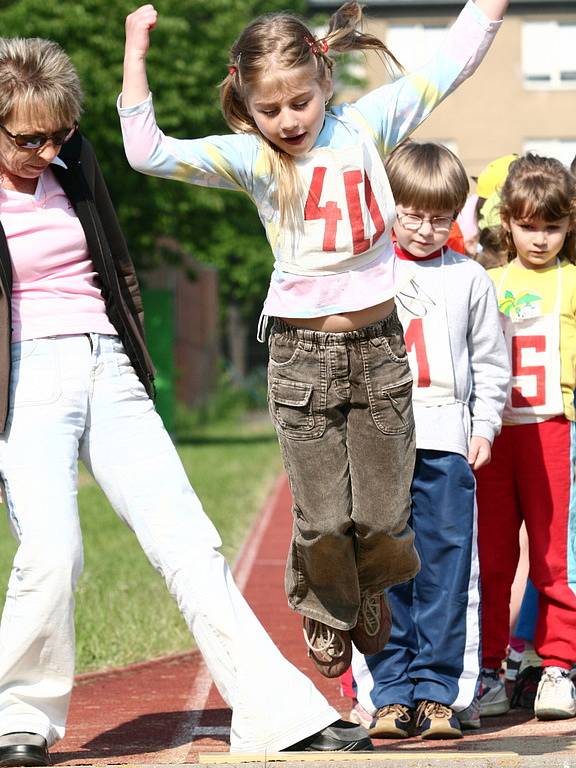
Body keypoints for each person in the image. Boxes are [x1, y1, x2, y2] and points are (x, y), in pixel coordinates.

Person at [0, 35, 375, 768]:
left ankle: (275, 713)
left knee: (188, 541)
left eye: (60, 133)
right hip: (23, 377)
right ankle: (20, 717)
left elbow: (113, 260)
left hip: (106, 363)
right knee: (52, 553)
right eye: (28, 138)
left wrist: (130, 357)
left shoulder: (74, 163)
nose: (47, 150)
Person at [119, 0, 508, 679]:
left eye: (300, 102)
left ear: (325, 80)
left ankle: (365, 586)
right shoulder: (251, 157)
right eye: (269, 111)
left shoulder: (368, 122)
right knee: (325, 518)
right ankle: (326, 607)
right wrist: (135, 47)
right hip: (301, 361)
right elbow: (146, 151)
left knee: (385, 518)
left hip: (381, 352)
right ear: (246, 106)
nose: (288, 122)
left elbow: (453, 63)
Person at [344, 141, 509, 740]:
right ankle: (389, 691)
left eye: (439, 217)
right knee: (382, 569)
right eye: (411, 213)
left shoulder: (469, 279)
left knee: (446, 569)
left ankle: (440, 691)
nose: (423, 227)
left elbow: (492, 363)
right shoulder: (363, 270)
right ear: (388, 205)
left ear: (456, 216)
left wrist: (483, 425)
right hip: (375, 441)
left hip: (445, 438)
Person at [475, 153, 576, 721]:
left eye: (553, 227)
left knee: (552, 557)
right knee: (491, 561)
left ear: (569, 225)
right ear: (508, 222)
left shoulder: (573, 282)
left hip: (553, 434)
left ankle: (558, 666)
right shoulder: (486, 282)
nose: (540, 239)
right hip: (495, 438)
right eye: (529, 225)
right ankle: (490, 669)